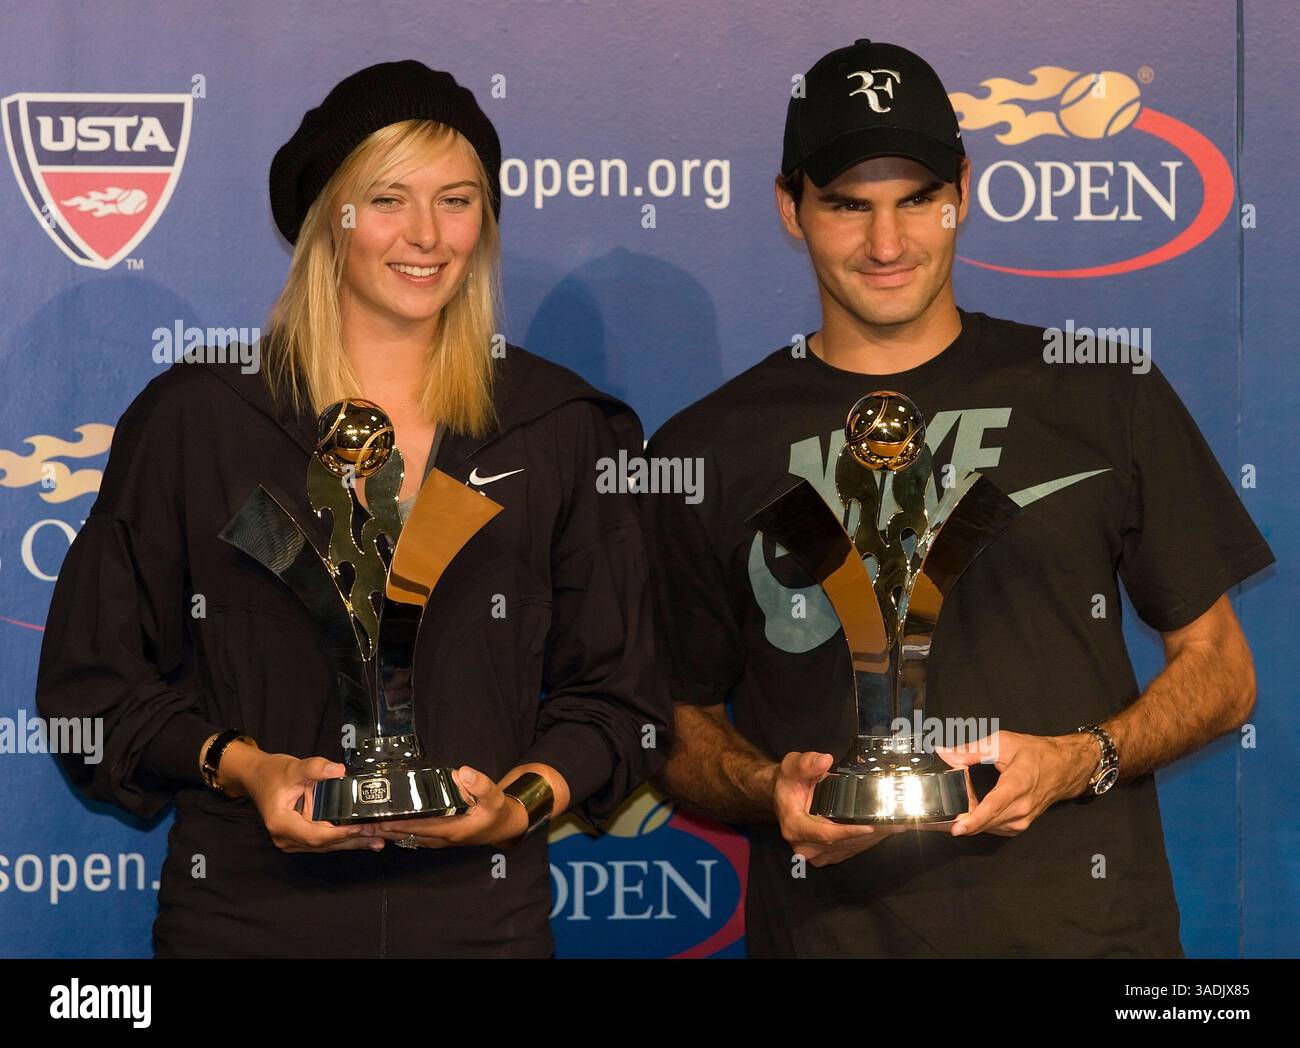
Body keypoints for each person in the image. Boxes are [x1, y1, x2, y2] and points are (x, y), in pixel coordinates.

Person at [643, 38, 1273, 958]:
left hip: (1094, 940)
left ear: (963, 193)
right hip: (831, 942)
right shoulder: (708, 446)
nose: (886, 243)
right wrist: (767, 789)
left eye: (917, 201)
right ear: (791, 209)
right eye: (848, 205)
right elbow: (673, 723)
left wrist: (1076, 761)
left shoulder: (1101, 389)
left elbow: (1223, 670)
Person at [35, 59, 670, 959]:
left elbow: (621, 700)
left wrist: (516, 804)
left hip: (480, 928)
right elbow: (89, 693)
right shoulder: (198, 420)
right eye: (387, 199)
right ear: (328, 217)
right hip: (245, 924)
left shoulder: (555, 425)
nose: (426, 234)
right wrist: (248, 768)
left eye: (456, 200)